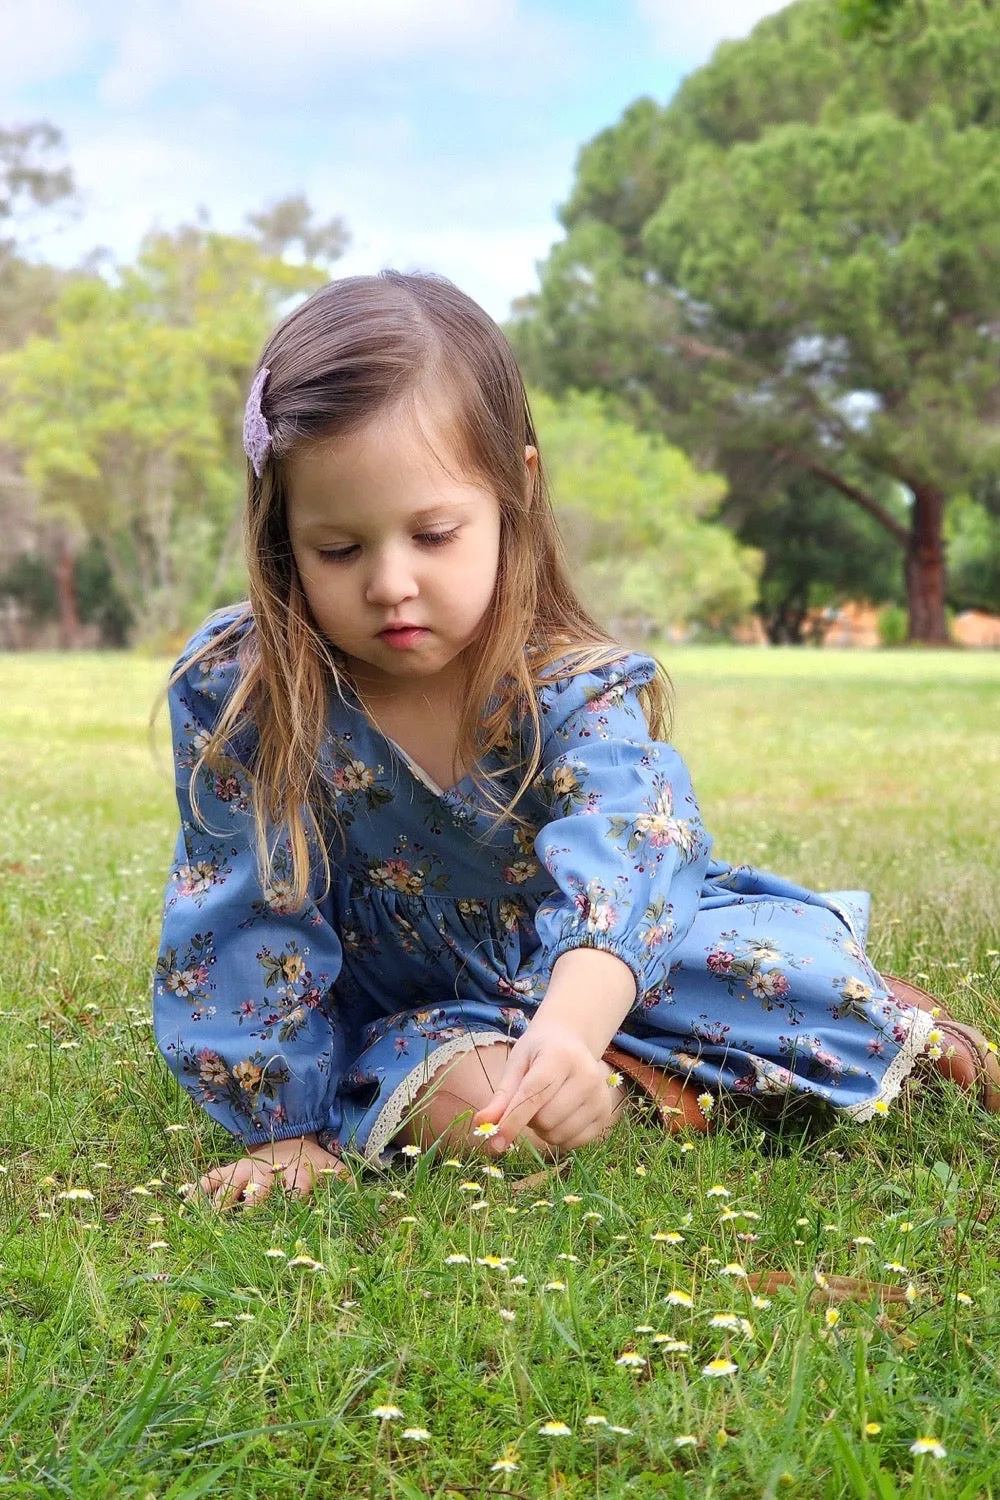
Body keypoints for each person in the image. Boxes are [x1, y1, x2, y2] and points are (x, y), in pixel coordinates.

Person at [151, 270, 1000, 1212]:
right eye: (339, 550)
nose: (391, 583)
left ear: (516, 489)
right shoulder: (248, 690)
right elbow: (241, 914)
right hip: (414, 1015)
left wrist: (570, 1027)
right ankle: (644, 1091)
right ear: (283, 538)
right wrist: (282, 1131)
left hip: (600, 972)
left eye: (433, 534)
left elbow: (631, 850)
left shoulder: (565, 683)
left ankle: (879, 1037)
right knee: (482, 1117)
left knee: (781, 981)